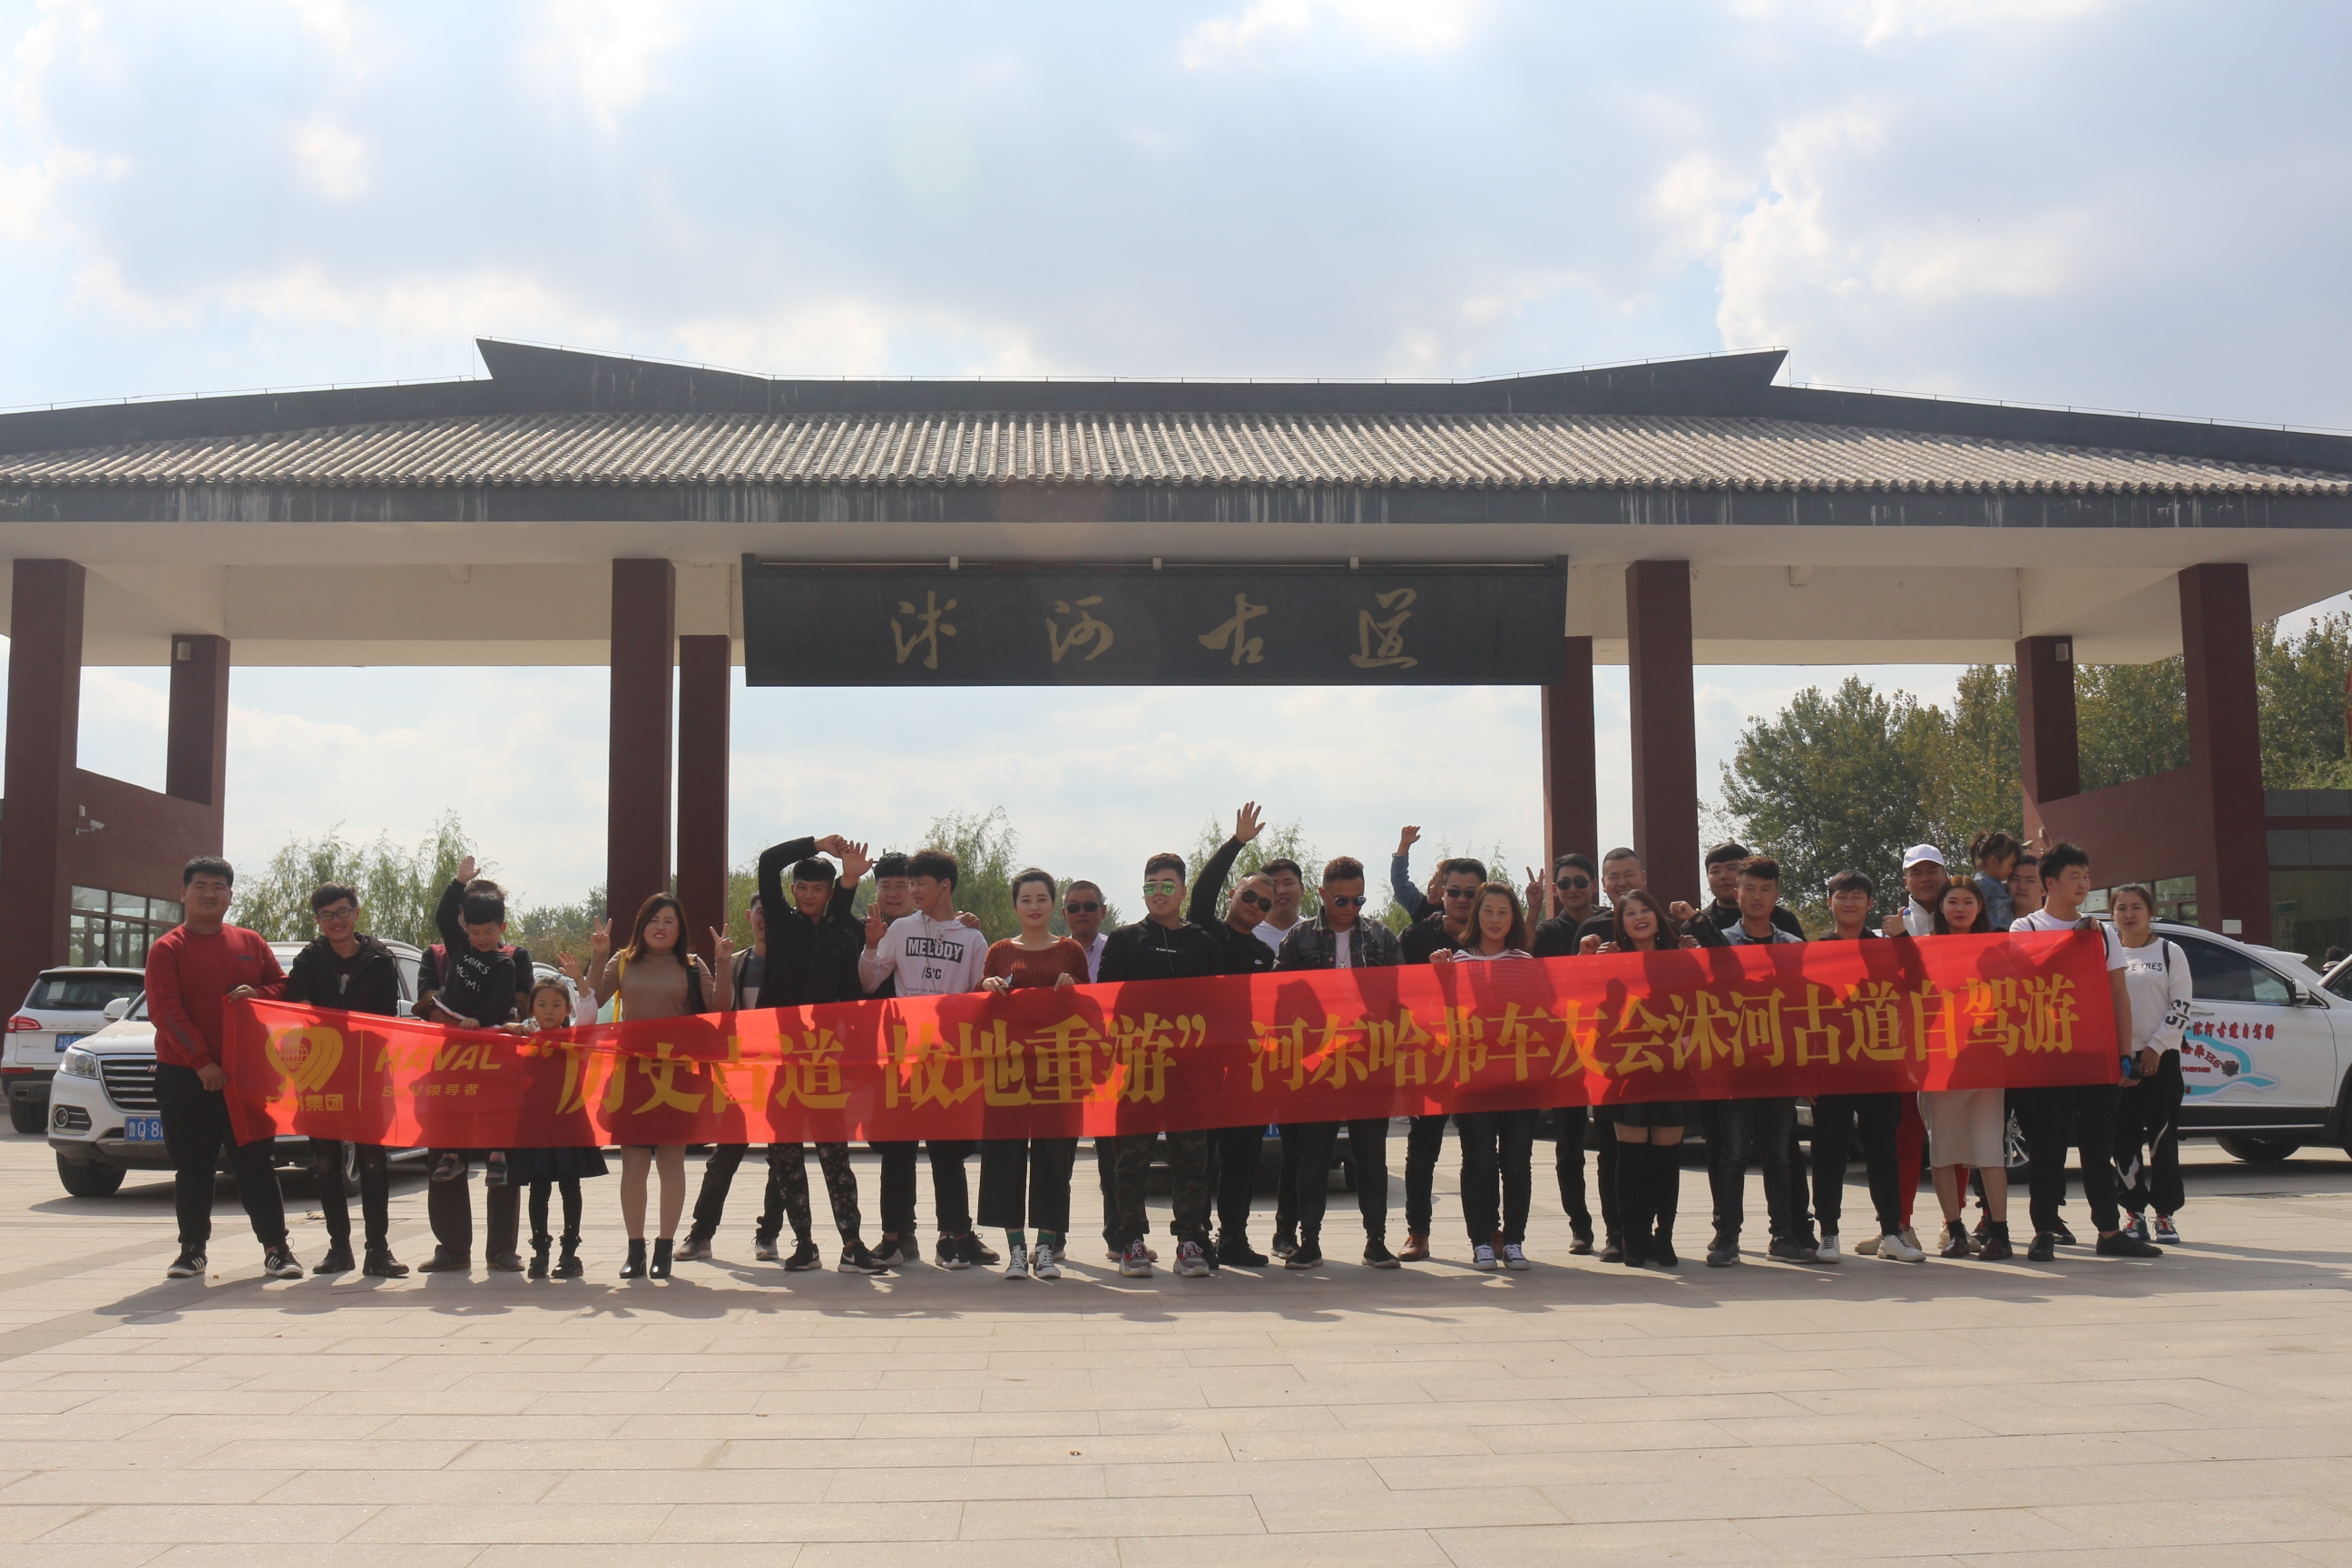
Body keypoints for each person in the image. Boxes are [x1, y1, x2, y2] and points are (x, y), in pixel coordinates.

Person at [681, 835, 878, 1273]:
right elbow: (769, 862)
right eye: (803, 888)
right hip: (779, 1057)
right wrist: (816, 842)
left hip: (826, 1060)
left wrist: (848, 880)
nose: (810, 896)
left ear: (829, 893)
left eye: (819, 890)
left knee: (835, 1157)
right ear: (792, 891)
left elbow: (844, 919)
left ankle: (852, 1244)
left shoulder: (842, 929)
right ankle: (804, 1243)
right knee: (785, 1155)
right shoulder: (781, 922)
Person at [146, 856, 299, 1281]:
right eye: (200, 885)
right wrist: (202, 1062)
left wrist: (261, 990)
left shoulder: (251, 942)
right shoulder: (167, 948)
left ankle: (277, 1249)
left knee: (255, 1163)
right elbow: (166, 1012)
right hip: (185, 1075)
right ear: (184, 893)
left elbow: (286, 989)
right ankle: (191, 1251)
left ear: (230, 895)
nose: (209, 893)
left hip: (249, 1075)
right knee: (193, 1165)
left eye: (218, 886)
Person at [2009, 842, 2161, 1260]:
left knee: (2098, 1147)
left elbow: (2118, 994)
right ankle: (2043, 1230)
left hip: (2096, 1054)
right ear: (2050, 883)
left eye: (2087, 876)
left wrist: (2124, 1051)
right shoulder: (2026, 929)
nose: (2083, 884)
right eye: (2074, 877)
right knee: (2048, 1148)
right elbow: (2024, 983)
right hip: (2048, 1056)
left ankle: (2109, 1232)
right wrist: (2070, 945)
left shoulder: (2104, 932)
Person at [588, 892, 734, 1279]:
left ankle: (665, 1248)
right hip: (632, 1072)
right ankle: (635, 1249)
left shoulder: (690, 964)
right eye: (654, 920)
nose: (661, 927)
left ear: (680, 929)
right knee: (633, 1165)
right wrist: (600, 955)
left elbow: (720, 1009)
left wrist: (722, 964)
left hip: (678, 1073)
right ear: (642, 924)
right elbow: (592, 999)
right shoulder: (623, 962)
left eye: (669, 921)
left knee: (671, 1163)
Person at [859, 847, 992, 1269]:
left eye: (920, 883)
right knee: (897, 1150)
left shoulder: (971, 938)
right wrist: (870, 946)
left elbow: (978, 997)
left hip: (949, 1058)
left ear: (945, 886)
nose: (914, 891)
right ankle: (894, 1237)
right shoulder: (898, 929)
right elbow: (870, 981)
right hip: (903, 1055)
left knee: (947, 1151)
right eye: (909, 883)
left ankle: (952, 1236)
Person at [1273, 855, 1404, 1270]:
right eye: (1342, 901)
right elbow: (1278, 1000)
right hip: (1317, 1064)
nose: (1351, 908)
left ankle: (1376, 1241)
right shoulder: (1297, 940)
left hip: (1370, 1063)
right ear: (1323, 894)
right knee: (1313, 1156)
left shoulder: (1383, 938)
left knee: (1371, 1156)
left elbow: (1403, 998)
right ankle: (1308, 1241)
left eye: (1358, 900)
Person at [1099, 852, 1225, 1278]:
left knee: (1192, 1161)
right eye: (1151, 886)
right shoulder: (1124, 939)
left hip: (1191, 1072)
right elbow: (1108, 1003)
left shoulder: (1203, 943)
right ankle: (1131, 1240)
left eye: (1167, 886)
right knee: (1129, 1161)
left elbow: (1218, 1005)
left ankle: (1190, 1239)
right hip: (1139, 1070)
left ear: (1183, 891)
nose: (1158, 894)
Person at [411, 862, 538, 1275]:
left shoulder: (514, 956)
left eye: (488, 925)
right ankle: (451, 1247)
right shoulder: (437, 954)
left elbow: (521, 1003)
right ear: (462, 920)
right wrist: (454, 1023)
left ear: (499, 923)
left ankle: (502, 1249)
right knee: (446, 1156)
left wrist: (490, 1023)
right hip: (448, 1067)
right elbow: (426, 1000)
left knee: (502, 1158)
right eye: (471, 921)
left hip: (499, 1069)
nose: (479, 932)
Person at [279, 882, 406, 1278]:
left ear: (356, 912)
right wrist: (311, 1018)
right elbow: (294, 1001)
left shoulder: (380, 958)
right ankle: (339, 1249)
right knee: (326, 1161)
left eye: (342, 912)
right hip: (319, 1074)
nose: (336, 921)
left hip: (369, 1072)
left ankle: (378, 1251)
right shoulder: (309, 959)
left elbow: (388, 1014)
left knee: (372, 1161)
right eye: (327, 915)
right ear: (318, 920)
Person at [1698, 858, 1816, 1267]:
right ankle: (1726, 1236)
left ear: (1776, 895)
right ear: (1737, 892)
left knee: (1779, 1153)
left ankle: (1783, 1234)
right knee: (1731, 1152)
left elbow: (1804, 1007)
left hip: (1778, 1061)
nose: (1757, 896)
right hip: (1733, 1062)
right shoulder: (1720, 943)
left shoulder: (1792, 947)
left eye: (1766, 889)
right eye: (1749, 888)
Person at [977, 867, 1090, 1279]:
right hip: (1008, 1071)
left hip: (1056, 1073)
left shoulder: (1071, 950)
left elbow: (1088, 1008)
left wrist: (1074, 985)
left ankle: (1045, 1247)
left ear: (1052, 904)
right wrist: (983, 986)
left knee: (1053, 1157)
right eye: (1026, 899)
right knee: (1005, 1157)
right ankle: (1015, 1250)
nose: (1034, 906)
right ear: (1015, 906)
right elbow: (982, 1012)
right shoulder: (1000, 952)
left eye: (1041, 898)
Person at [1808, 870, 1925, 1264]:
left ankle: (1892, 1231)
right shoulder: (1815, 949)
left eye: (1858, 897)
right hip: (1832, 1065)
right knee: (1829, 1154)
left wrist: (1904, 937)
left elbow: (1921, 982)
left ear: (1870, 904)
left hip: (1879, 1061)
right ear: (1831, 903)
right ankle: (1828, 1233)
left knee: (1882, 1151)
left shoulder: (1886, 946)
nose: (1850, 903)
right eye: (1842, 896)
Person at [1186, 804, 1283, 1267]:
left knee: (1243, 1157)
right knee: (1201, 1159)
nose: (1256, 906)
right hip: (1204, 1065)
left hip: (1247, 1068)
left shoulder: (1264, 952)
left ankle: (1234, 1238)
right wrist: (1236, 843)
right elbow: (1202, 893)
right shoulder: (1205, 933)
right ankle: (1197, 1238)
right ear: (1234, 895)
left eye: (1265, 903)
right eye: (1249, 895)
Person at [1431, 882, 1538, 1269]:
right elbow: (1440, 1016)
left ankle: (1513, 1241)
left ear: (1514, 919)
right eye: (1488, 911)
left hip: (1519, 1077)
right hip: (1472, 1076)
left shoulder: (1525, 962)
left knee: (1516, 1162)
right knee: (1477, 1161)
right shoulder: (1455, 962)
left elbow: (1545, 1014)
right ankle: (1480, 1240)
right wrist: (1440, 977)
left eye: (1503, 912)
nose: (1495, 919)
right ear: (1476, 916)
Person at [1591, 888, 1693, 1269]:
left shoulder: (1679, 959)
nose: (1638, 917)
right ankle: (1632, 1239)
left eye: (1644, 909)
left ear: (1656, 915)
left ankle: (1662, 1239)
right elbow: (1596, 1013)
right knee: (1630, 1160)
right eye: (1629, 913)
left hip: (1673, 1070)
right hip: (1629, 1071)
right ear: (1620, 924)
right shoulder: (1612, 963)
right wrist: (1594, 965)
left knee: (1665, 1161)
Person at [1394, 855, 1487, 1262]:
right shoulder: (1415, 938)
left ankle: (1487, 1233)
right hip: (1430, 1057)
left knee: (1481, 1151)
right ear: (1441, 892)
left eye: (1471, 893)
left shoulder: (1493, 936)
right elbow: (1399, 999)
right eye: (1455, 891)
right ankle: (1418, 1232)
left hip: (1478, 1057)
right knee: (1423, 1150)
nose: (1462, 899)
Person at [1921, 877, 2014, 1260]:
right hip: (1939, 1063)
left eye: (1968, 902)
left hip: (1986, 1063)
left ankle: (2000, 1231)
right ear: (1941, 908)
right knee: (1942, 1150)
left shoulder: (1997, 949)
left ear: (1980, 908)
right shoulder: (1924, 951)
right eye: (1952, 901)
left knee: (1988, 1150)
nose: (1960, 908)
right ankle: (1955, 1229)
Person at [502, 967, 608, 1279]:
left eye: (557, 1005)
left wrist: (579, 980)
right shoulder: (523, 1035)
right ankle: (540, 1253)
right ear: (531, 1008)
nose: (550, 1011)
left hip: (569, 1120)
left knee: (569, 1185)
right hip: (533, 1122)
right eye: (543, 1005)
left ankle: (570, 1253)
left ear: (568, 1009)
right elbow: (491, 1037)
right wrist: (507, 1028)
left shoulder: (577, 1033)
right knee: (538, 1187)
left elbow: (590, 1007)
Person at [2110, 885, 2193, 1245]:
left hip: (2162, 1060)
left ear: (2150, 911)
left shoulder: (2169, 952)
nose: (2129, 914)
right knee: (2123, 1141)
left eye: (2136, 907)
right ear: (2112, 914)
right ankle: (2133, 1215)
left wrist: (2156, 1049)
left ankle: (2165, 1215)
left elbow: (2181, 1005)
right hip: (2119, 1063)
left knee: (2163, 1140)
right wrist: (2121, 1057)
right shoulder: (2106, 952)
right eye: (2122, 908)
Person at [1530, 852, 1603, 1257]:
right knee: (1570, 1146)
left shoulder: (1615, 921)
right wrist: (1531, 907)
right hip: (1567, 1052)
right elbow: (1529, 978)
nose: (1573, 889)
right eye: (1565, 884)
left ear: (1593, 885)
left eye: (1580, 882)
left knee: (1614, 1143)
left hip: (1617, 1048)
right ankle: (1581, 1226)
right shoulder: (1547, 933)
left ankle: (1620, 1225)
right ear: (1556, 890)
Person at [1681, 841, 1805, 938]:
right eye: (1715, 871)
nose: (1723, 876)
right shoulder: (1696, 926)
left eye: (1731, 868)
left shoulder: (1783, 919)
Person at [1886, 845, 1949, 936]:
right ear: (1906, 882)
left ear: (1945, 877)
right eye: (1917, 873)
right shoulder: (1895, 928)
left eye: (1932, 872)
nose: (1925, 879)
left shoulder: (1962, 919)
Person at [1252, 858, 1308, 955]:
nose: (1281, 891)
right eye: (1274, 885)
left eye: (1288, 883)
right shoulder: (1250, 933)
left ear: (1302, 888)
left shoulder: (1314, 933)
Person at [1970, 830, 2024, 932]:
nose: (2011, 870)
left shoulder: (1999, 885)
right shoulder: (1981, 884)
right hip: (1991, 935)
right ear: (1993, 861)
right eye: (2010, 865)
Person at [1389, 824, 1435, 925]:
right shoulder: (1421, 907)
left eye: (1442, 884)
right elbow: (1400, 882)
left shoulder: (1470, 915)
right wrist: (1404, 845)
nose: (1434, 887)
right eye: (1434, 880)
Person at [2008, 853, 2044, 920]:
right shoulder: (1988, 922)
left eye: (2030, 881)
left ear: (2043, 889)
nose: (2022, 887)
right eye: (2015, 879)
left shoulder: (2048, 927)